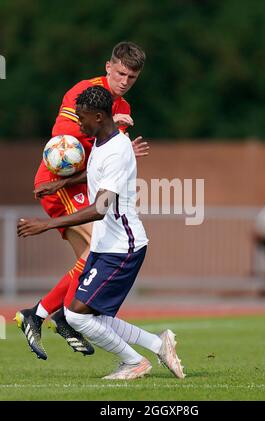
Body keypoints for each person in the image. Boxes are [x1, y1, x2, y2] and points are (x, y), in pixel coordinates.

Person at [17, 86, 185, 380]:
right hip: (105, 244)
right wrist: (60, 185)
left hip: (123, 247)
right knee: (88, 315)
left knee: (78, 316)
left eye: (82, 119)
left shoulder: (118, 151)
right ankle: (158, 344)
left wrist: (46, 225)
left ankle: (135, 362)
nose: (79, 125)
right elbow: (95, 174)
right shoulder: (100, 142)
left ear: (98, 116)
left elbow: (102, 207)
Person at [15, 41, 149, 360]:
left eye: (132, 77)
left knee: (89, 259)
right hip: (60, 181)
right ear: (108, 67)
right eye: (120, 73)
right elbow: (64, 149)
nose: (125, 81)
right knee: (95, 252)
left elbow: (108, 161)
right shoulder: (85, 93)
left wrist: (123, 146)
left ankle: (54, 313)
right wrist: (112, 136)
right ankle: (44, 313)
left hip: (80, 183)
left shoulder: (124, 109)